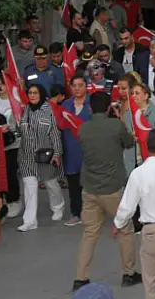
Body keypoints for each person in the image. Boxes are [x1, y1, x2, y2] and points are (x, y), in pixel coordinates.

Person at [73, 91, 140, 292]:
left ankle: (80, 277)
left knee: (89, 234)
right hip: (113, 188)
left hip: (90, 188)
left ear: (91, 108)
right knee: (125, 230)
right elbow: (129, 142)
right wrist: (121, 119)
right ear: (110, 107)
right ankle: (129, 273)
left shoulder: (83, 129)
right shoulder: (115, 125)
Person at [113, 129, 155, 299]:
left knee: (152, 282)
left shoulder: (138, 173)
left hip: (151, 231)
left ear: (146, 147)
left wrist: (118, 224)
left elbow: (128, 205)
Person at [16, 84, 65, 232]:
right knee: (29, 188)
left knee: (51, 184)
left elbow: (55, 134)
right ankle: (30, 221)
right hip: (26, 156)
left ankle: (58, 207)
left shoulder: (48, 110)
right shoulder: (24, 111)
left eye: (35, 93)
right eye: (30, 93)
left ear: (41, 94)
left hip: (45, 156)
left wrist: (57, 154)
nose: (32, 95)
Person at [61, 76, 91, 227]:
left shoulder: (93, 103)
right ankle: (75, 213)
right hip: (70, 150)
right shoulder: (66, 104)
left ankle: (91, 214)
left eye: (81, 85)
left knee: (89, 184)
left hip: (88, 151)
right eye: (75, 86)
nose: (77, 88)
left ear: (86, 86)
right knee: (73, 184)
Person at [122, 83, 155, 175]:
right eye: (132, 93)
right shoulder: (128, 113)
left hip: (150, 156)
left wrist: (146, 136)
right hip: (132, 158)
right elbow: (125, 134)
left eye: (137, 93)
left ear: (146, 96)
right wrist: (131, 137)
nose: (133, 95)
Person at [0, 77, 21, 218]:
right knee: (0, 174)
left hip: (13, 143)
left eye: (1, 84)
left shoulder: (15, 99)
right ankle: (2, 201)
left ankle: (14, 200)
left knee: (10, 173)